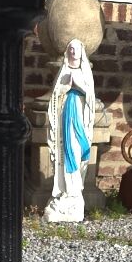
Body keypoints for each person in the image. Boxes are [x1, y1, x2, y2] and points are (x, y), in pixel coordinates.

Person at [44, 38, 96, 223]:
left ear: (81, 52)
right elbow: (55, 96)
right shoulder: (63, 71)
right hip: (65, 121)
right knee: (66, 154)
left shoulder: (85, 72)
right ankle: (67, 192)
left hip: (79, 121)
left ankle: (74, 193)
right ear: (67, 52)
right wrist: (66, 86)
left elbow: (90, 97)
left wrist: (79, 86)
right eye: (70, 48)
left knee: (78, 151)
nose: (73, 51)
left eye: (76, 49)